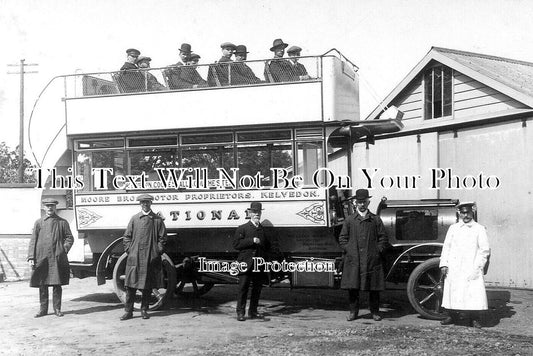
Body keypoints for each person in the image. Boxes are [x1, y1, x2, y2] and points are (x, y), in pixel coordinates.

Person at [339, 189, 389, 321]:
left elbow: (383, 238)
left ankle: (375, 312)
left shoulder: (375, 219)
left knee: (374, 288)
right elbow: (342, 238)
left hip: (371, 260)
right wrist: (349, 250)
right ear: (355, 203)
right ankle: (353, 312)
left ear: (368, 202)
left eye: (364, 202)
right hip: (354, 259)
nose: (362, 204)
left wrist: (377, 251)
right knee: (353, 287)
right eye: (359, 202)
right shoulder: (350, 220)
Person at [439, 202, 490, 328]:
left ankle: (474, 319)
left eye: (468, 212)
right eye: (463, 213)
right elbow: (447, 247)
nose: (465, 215)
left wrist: (478, 266)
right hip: (455, 266)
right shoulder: (453, 228)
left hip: (471, 266)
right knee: (453, 291)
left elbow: (484, 250)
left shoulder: (479, 228)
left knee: (473, 292)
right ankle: (451, 316)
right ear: (459, 213)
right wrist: (444, 264)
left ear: (472, 213)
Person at [120, 194, 168, 321]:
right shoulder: (134, 219)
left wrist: (157, 251)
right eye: (143, 203)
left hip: (150, 258)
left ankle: (144, 310)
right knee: (130, 286)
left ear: (151, 204)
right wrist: (130, 250)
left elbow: (162, 238)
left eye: (147, 203)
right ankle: (128, 311)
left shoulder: (157, 220)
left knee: (147, 285)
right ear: (140, 204)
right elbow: (126, 237)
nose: (145, 205)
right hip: (135, 257)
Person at [27, 198, 74, 318]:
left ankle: (57, 309)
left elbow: (69, 238)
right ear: (44, 208)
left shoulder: (62, 222)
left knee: (56, 284)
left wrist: (63, 249)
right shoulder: (39, 223)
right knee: (42, 284)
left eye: (52, 206)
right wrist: (31, 257)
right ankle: (43, 310)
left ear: (55, 207)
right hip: (42, 257)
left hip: (57, 257)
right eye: (47, 206)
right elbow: (33, 240)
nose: (50, 208)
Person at [233, 202, 272, 321]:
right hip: (245, 263)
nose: (257, 214)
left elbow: (267, 246)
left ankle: (253, 312)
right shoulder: (243, 228)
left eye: (259, 212)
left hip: (258, 264)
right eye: (254, 212)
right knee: (243, 288)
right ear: (250, 213)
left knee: (257, 289)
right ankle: (240, 313)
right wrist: (251, 240)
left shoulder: (263, 230)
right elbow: (236, 245)